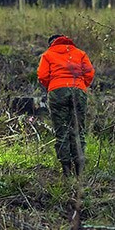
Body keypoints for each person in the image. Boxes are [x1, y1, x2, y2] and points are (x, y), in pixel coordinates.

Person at [37, 34, 95, 177]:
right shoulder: (80, 53)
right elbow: (89, 73)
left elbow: (42, 76)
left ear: (51, 43)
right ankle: (79, 171)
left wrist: (53, 86)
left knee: (61, 131)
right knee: (78, 130)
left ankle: (66, 170)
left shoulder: (48, 54)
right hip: (78, 90)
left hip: (57, 91)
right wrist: (82, 85)